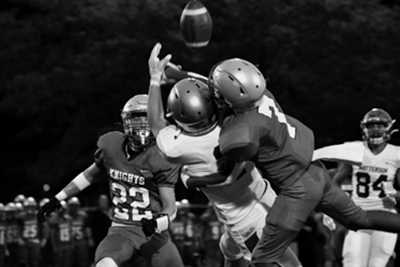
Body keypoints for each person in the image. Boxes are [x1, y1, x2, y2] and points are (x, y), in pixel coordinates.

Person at [205, 57, 400, 267]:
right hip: (316, 172)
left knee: (263, 259)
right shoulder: (264, 96)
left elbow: (235, 150)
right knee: (359, 218)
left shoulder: (243, 131)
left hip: (297, 189)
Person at [146, 42, 300, 267]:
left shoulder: (176, 146)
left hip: (239, 212)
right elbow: (237, 89)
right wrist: (182, 73)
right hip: (257, 201)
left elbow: (156, 121)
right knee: (289, 264)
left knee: (234, 247)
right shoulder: (236, 123)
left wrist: (155, 78)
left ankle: (231, 247)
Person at [37, 94, 184, 267]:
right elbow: (89, 175)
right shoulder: (112, 147)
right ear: (125, 121)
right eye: (137, 118)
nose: (143, 124)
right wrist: (59, 197)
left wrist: (156, 223)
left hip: (154, 232)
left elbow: (170, 208)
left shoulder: (161, 156)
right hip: (122, 228)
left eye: (147, 118)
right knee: (104, 264)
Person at [326, 108, 400, 267]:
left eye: (380, 126)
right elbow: (335, 182)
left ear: (388, 127)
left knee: (377, 264)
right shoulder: (356, 151)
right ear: (364, 127)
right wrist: (329, 211)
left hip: (385, 214)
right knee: (353, 262)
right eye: (372, 125)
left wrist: (395, 194)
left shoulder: (396, 154)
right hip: (359, 215)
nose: (375, 129)